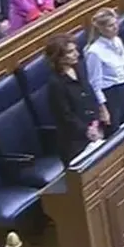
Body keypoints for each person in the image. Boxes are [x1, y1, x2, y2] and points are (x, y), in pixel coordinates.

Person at [45, 34, 107, 162]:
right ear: (58, 57)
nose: (76, 54)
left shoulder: (80, 68)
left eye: (75, 50)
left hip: (94, 130)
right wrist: (87, 130)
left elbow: (90, 95)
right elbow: (65, 115)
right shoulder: (56, 83)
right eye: (70, 52)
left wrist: (96, 121)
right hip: (75, 142)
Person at [85, 7, 124, 130]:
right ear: (101, 29)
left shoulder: (118, 41)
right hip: (111, 96)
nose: (115, 27)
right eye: (110, 25)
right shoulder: (94, 51)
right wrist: (103, 109)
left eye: (116, 23)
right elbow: (95, 84)